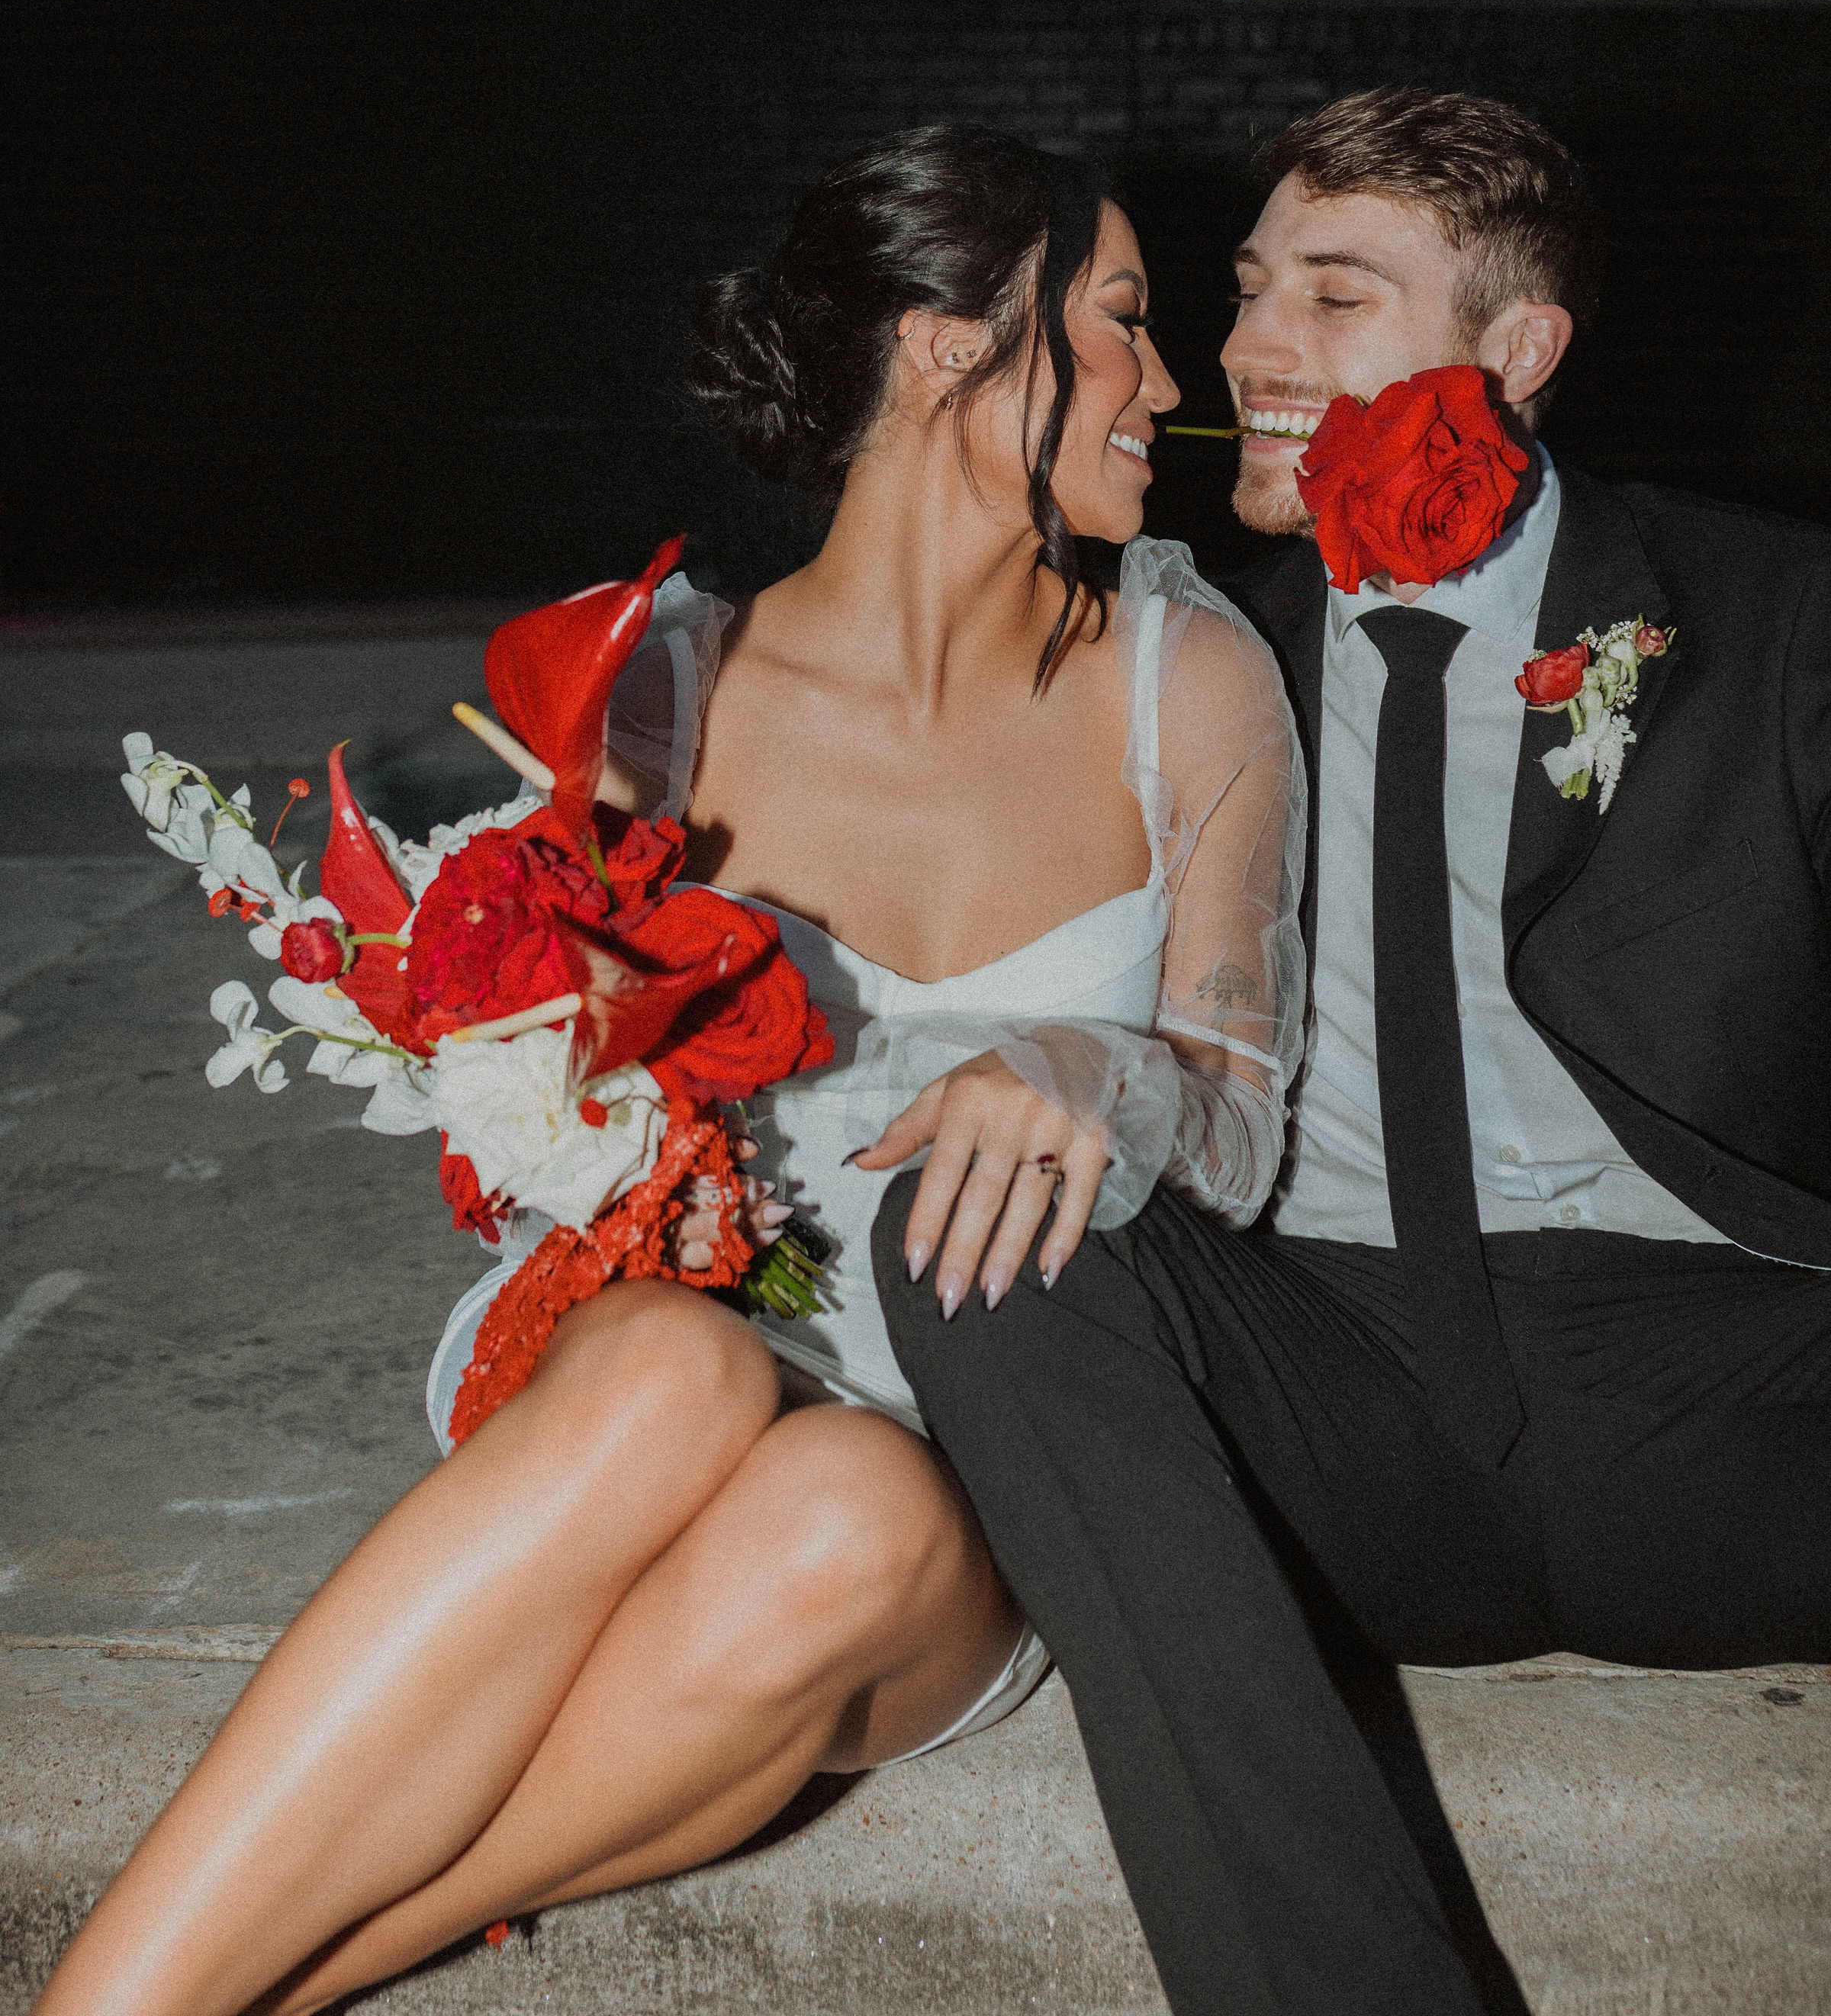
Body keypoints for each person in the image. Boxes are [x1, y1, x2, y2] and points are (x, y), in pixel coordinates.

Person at [37, 124, 1302, 2016]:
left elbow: (1246, 1104)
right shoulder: (664, 694)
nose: (1166, 382)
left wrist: (1090, 1066)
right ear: (961, 344)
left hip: (969, 1478)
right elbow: (536, 1105)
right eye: (1121, 322)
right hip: (643, 1385)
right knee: (678, 1363)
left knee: (851, 1515)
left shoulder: (1186, 684)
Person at [874, 87, 1831, 2016]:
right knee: (969, 1226)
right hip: (1336, 1398)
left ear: (1520, 349)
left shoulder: (1769, 614)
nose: (1248, 351)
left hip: (1729, 1384)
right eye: (1243, 296)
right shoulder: (1187, 650)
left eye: (1335, 294)